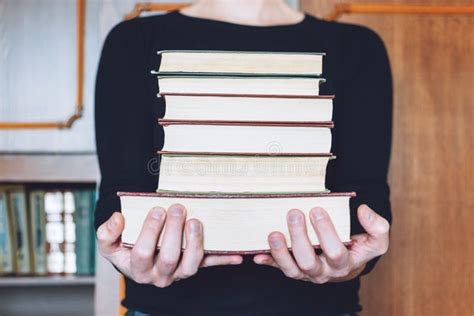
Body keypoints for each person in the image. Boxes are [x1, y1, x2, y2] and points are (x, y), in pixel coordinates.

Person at [94, 1, 392, 315]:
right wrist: (129, 255)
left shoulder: (358, 48)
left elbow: (367, 207)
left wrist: (352, 264)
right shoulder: (132, 42)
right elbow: (118, 203)